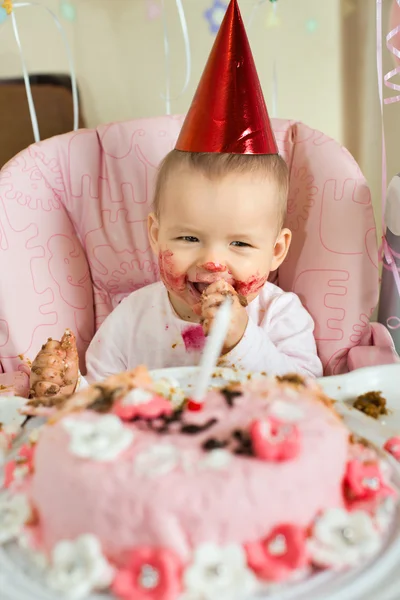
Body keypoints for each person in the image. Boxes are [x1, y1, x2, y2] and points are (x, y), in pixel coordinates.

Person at [30, 0, 322, 398]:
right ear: (156, 234)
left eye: (239, 243)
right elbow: (101, 396)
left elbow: (310, 398)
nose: (212, 262)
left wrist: (242, 341)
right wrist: (67, 387)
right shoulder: (132, 319)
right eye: (188, 238)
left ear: (275, 250)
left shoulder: (280, 316)